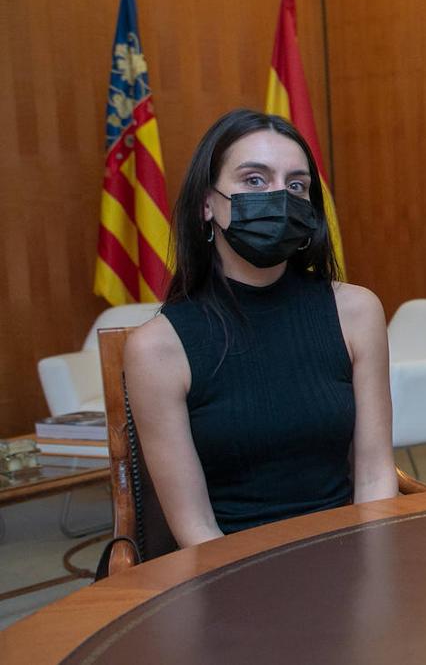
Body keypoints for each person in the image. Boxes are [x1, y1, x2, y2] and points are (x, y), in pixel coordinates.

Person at [126, 108, 397, 548]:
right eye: (254, 180)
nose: (279, 197)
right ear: (206, 204)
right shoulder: (156, 347)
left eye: (296, 185)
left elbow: (375, 476)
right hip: (227, 573)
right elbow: (194, 529)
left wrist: (370, 570)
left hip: (345, 556)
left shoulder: (357, 311)